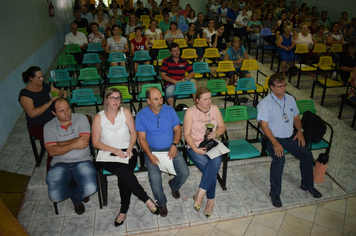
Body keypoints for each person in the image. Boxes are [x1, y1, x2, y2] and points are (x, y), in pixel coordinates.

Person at [92, 88, 159, 226]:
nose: (115, 101)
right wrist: (114, 150)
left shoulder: (125, 112)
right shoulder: (99, 117)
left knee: (123, 174)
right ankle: (146, 199)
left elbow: (133, 133)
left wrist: (130, 147)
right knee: (123, 173)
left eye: (118, 98)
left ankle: (123, 210)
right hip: (108, 154)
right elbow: (96, 143)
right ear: (106, 100)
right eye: (112, 98)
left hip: (128, 151)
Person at [257, 73, 322, 208]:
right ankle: (275, 192)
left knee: (307, 154)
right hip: (272, 138)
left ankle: (307, 185)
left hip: (290, 136)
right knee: (279, 160)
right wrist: (275, 143)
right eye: (280, 86)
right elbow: (264, 126)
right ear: (272, 87)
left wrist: (300, 131)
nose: (283, 88)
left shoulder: (291, 99)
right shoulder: (265, 104)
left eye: (284, 85)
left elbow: (296, 118)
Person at [135, 87, 189, 217]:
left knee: (184, 173)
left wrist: (174, 145)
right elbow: (141, 138)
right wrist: (149, 155)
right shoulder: (141, 115)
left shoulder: (169, 110)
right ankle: (162, 202)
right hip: (152, 151)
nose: (160, 101)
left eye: (161, 98)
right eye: (156, 99)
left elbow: (177, 130)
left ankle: (174, 185)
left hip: (171, 147)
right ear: (148, 101)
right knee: (154, 178)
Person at [44, 98, 97, 215]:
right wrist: (74, 144)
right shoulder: (49, 126)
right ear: (54, 113)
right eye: (61, 111)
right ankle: (78, 196)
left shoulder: (81, 118)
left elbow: (84, 142)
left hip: (83, 160)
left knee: (91, 188)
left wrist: (58, 144)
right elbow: (51, 151)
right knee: (55, 196)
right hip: (59, 163)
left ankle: (77, 199)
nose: (67, 113)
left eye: (67, 108)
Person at [183, 87, 225, 218]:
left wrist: (216, 133)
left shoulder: (215, 109)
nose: (208, 101)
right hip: (194, 146)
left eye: (210, 98)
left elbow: (222, 127)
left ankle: (201, 194)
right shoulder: (190, 112)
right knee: (211, 168)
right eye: (205, 99)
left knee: (215, 162)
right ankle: (210, 201)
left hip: (212, 144)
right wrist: (195, 149)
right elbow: (187, 134)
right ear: (197, 100)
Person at [19, 66, 67, 144]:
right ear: (31, 78)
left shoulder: (44, 86)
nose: (42, 79)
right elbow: (32, 113)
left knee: (70, 133)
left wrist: (62, 93)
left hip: (52, 120)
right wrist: (49, 102)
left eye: (42, 76)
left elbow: (58, 91)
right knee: (55, 142)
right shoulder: (25, 94)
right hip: (38, 124)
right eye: (39, 77)